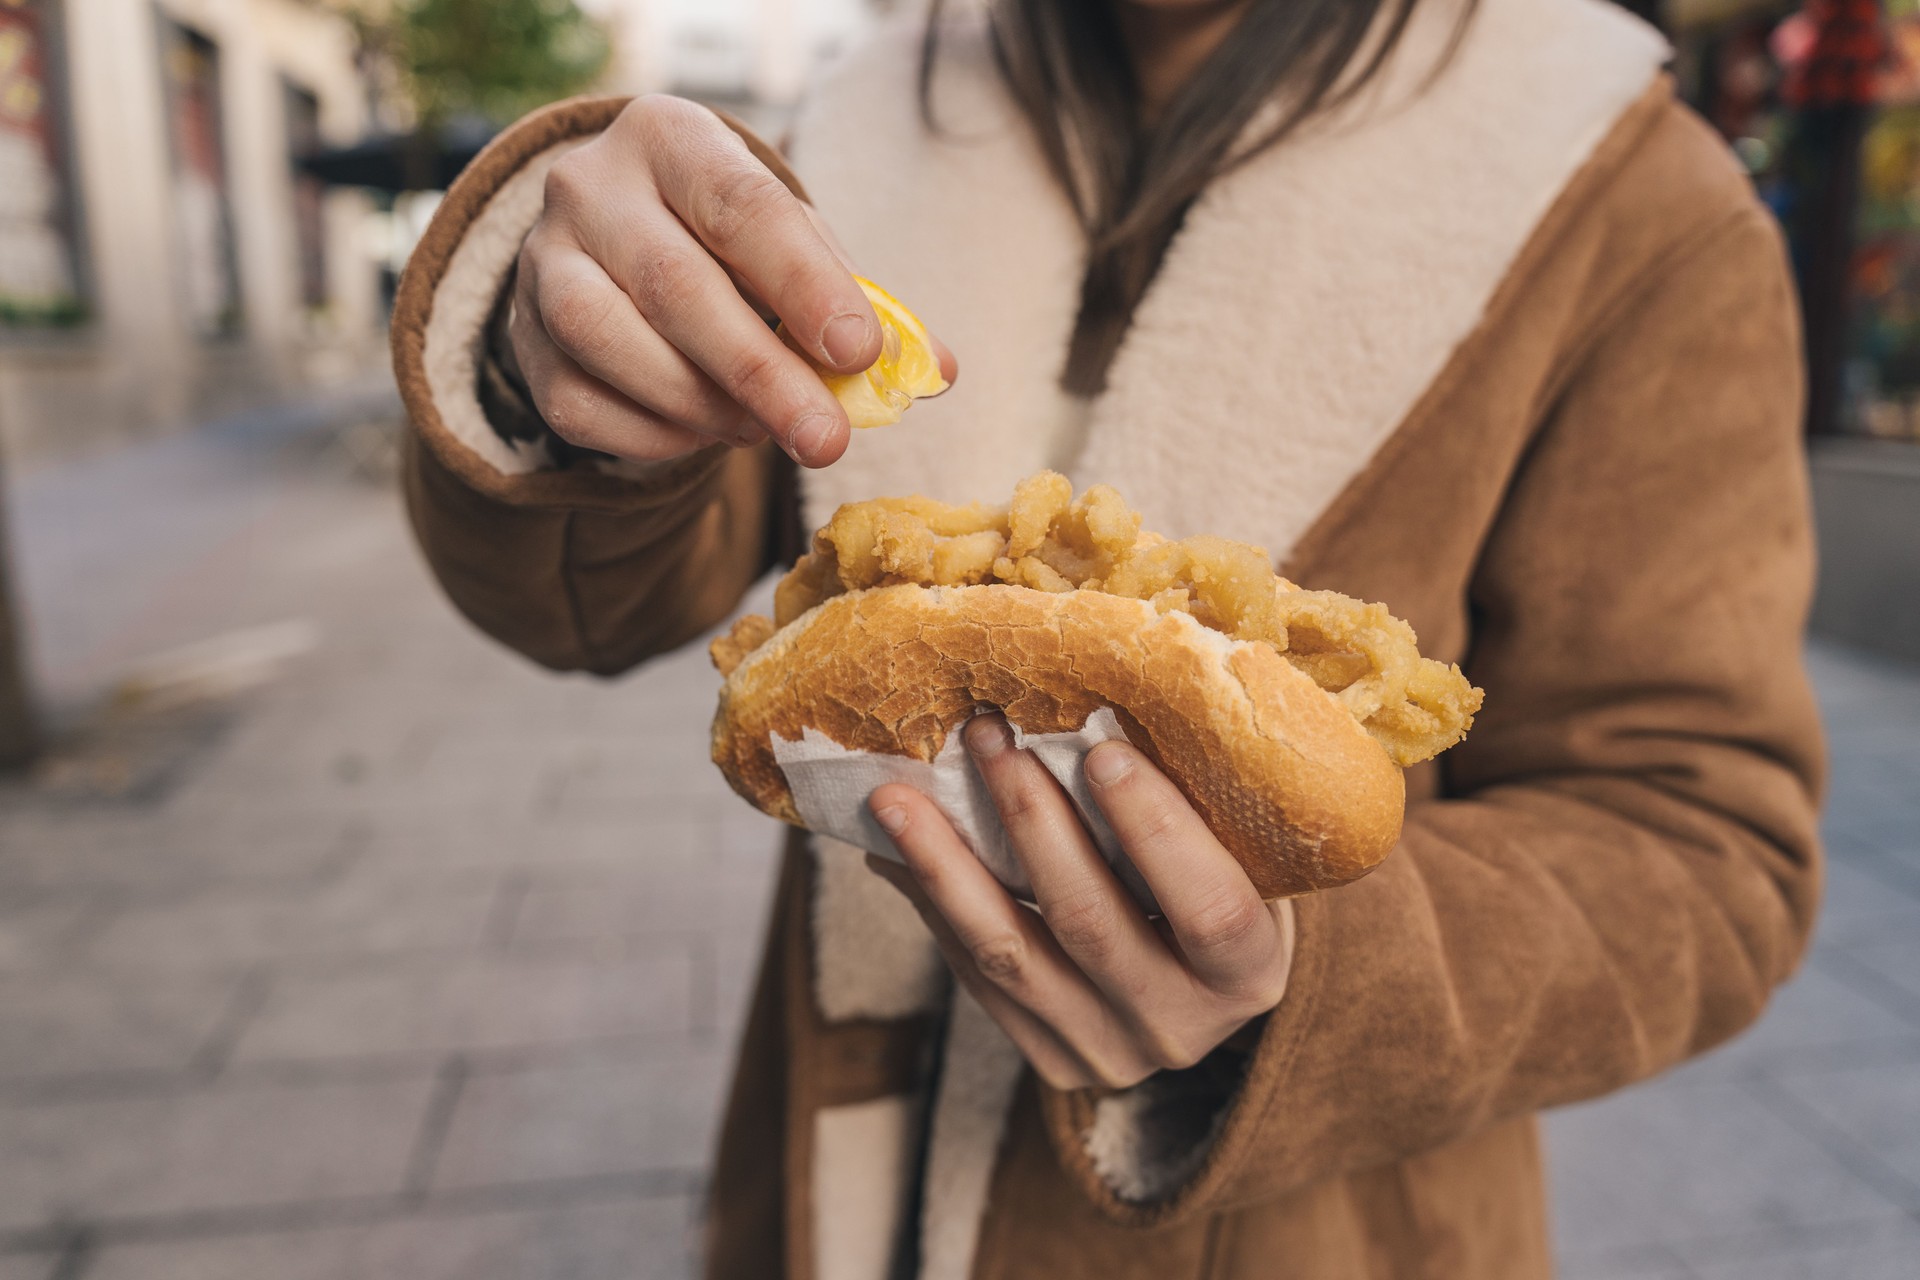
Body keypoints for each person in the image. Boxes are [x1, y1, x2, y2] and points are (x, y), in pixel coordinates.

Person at [391, 0, 1825, 1275]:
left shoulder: (1636, 193)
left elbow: (1709, 844)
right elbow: (590, 610)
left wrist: (1305, 990)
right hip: (825, 1176)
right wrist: (556, 358)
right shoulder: (847, 121)